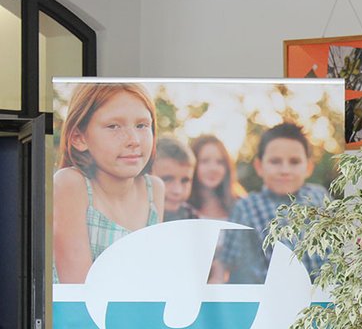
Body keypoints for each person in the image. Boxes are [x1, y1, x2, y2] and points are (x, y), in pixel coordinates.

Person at [53, 82, 164, 283]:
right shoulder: (70, 184)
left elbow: (152, 283)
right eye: (113, 126)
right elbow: (78, 292)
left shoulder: (154, 189)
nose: (134, 140)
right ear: (79, 138)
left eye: (142, 125)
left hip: (136, 314)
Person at [213, 123, 328, 283]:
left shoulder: (319, 197)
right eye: (275, 161)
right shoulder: (246, 208)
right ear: (259, 166)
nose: (285, 170)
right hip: (271, 302)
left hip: (325, 301)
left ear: (308, 167)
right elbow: (227, 267)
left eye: (294, 162)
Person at [188, 134, 244, 220]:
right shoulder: (182, 207)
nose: (213, 168)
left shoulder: (241, 206)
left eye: (219, 162)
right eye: (205, 161)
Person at [153, 137, 198, 222]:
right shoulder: (133, 217)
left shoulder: (191, 218)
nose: (177, 191)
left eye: (185, 181)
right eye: (167, 179)